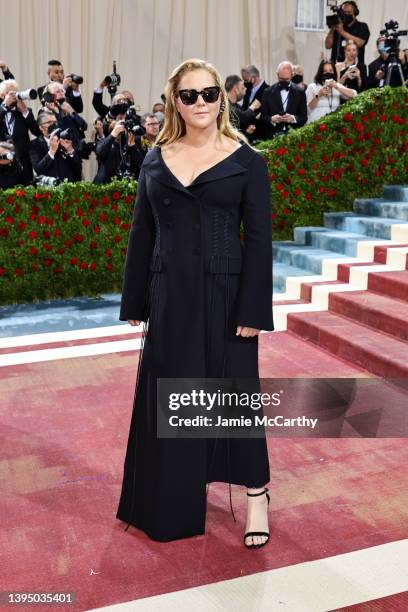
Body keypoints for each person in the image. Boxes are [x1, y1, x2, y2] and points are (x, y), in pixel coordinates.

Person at [116, 57, 274, 547]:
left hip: (227, 297)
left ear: (221, 98)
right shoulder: (155, 158)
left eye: (209, 93)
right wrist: (135, 300)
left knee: (233, 399)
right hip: (169, 295)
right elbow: (143, 232)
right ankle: (173, 498)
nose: (201, 103)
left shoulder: (247, 159)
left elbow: (262, 239)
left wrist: (254, 310)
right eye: (190, 95)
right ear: (174, 102)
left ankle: (256, 497)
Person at [0, 79, 40, 184]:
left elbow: (37, 132)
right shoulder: (1, 111)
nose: (14, 96)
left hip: (24, 163)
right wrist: (4, 106)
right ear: (2, 96)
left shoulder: (25, 111)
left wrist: (25, 112)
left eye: (15, 92)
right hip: (3, 163)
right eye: (11, 93)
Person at [29, 110, 82, 182]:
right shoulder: (34, 145)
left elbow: (78, 168)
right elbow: (38, 169)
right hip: (49, 188)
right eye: (49, 122)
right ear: (41, 127)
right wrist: (51, 151)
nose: (53, 125)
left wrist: (70, 150)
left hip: (68, 186)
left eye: (55, 122)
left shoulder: (64, 139)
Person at [260, 61, 307, 139]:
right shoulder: (267, 92)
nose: (284, 81)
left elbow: (304, 118)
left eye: (287, 79)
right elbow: (263, 117)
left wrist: (293, 119)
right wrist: (272, 119)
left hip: (294, 137)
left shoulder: (300, 92)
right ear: (277, 74)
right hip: (272, 137)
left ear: (292, 75)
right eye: (281, 79)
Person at [306, 59, 357, 124]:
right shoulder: (313, 86)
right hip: (314, 124)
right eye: (325, 71)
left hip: (331, 126)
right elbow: (307, 108)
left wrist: (337, 86)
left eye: (331, 71)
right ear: (320, 73)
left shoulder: (336, 86)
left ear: (334, 72)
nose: (328, 73)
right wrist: (318, 94)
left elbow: (354, 94)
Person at [225, 74, 260, 141]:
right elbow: (243, 117)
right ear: (236, 89)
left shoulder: (238, 107)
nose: (245, 89)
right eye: (242, 88)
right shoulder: (225, 105)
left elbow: (242, 124)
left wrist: (247, 132)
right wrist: (253, 106)